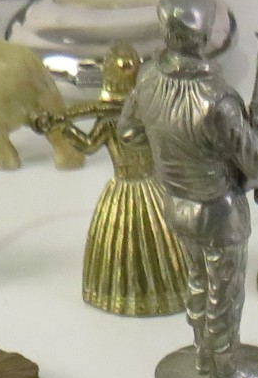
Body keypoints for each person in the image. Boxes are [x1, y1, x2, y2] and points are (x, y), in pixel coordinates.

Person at [117, 0, 258, 378]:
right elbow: (257, 158)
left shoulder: (147, 79)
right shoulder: (217, 100)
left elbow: (128, 132)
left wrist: (170, 151)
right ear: (206, 37)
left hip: (175, 204)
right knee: (224, 293)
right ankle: (226, 368)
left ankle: (202, 354)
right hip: (219, 211)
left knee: (197, 280)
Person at [49, 44, 184, 317]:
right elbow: (88, 146)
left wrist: (66, 128)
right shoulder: (132, 118)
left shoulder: (136, 117)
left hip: (137, 187)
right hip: (145, 189)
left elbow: (87, 145)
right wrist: (63, 126)